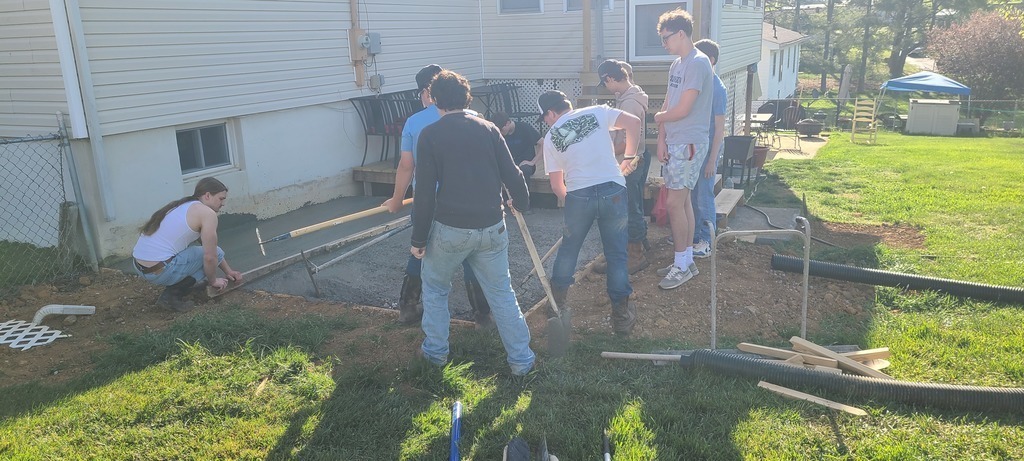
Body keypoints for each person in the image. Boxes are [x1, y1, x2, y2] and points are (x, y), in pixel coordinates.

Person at [410, 70, 535, 375]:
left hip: (450, 229)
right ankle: (522, 361)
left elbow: (424, 193)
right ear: (467, 98)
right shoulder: (489, 129)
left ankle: (435, 354)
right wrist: (521, 202)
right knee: (502, 293)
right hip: (492, 227)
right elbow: (513, 174)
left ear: (434, 99)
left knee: (435, 289)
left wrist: (418, 239)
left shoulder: (430, 135)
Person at [383, 64, 492, 327]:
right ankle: (482, 315)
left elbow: (406, 166)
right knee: (471, 257)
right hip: (468, 200)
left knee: (420, 251)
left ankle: (408, 307)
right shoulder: (474, 117)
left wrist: (396, 200)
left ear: (426, 92)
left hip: (427, 201)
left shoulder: (414, 122)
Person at [537, 90, 643, 336]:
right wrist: (629, 157)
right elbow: (634, 122)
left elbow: (557, 185)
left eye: (545, 118)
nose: (547, 122)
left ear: (551, 113)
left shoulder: (551, 137)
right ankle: (621, 317)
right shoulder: (597, 111)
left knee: (569, 250)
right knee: (616, 254)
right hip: (613, 190)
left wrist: (576, 206)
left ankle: (556, 307)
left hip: (579, 194)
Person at [652, 9, 714, 290]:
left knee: (675, 204)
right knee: (684, 201)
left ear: (681, 34)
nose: (663, 44)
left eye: (666, 38)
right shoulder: (677, 64)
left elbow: (684, 109)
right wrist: (661, 137)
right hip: (676, 141)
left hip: (689, 142)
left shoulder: (698, 63)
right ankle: (686, 260)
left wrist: (659, 118)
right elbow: (669, 102)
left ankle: (681, 266)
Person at [132, 177, 243, 311]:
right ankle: (172, 295)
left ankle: (187, 285)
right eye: (221, 198)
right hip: (161, 271)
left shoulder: (184, 206)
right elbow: (211, 257)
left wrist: (228, 271)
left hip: (140, 267)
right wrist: (213, 281)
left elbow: (210, 248)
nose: (223, 203)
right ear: (207, 195)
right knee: (210, 258)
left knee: (208, 253)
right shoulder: (207, 214)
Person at [596, 58, 652, 274]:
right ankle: (633, 246)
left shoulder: (630, 104)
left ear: (610, 78)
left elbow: (629, 142)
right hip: (635, 159)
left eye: (606, 83)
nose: (607, 88)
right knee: (632, 204)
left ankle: (636, 255)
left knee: (629, 208)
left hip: (631, 161)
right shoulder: (629, 96)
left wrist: (603, 152)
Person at [690, 39, 728, 259]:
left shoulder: (717, 89)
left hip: (709, 151)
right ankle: (694, 235)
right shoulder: (700, 84)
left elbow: (720, 129)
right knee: (693, 194)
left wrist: (712, 160)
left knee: (704, 196)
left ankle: (707, 240)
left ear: (711, 60)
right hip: (697, 148)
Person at [488, 111, 543, 179]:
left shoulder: (524, 127)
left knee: (523, 171)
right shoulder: (499, 134)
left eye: (501, 130)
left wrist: (533, 162)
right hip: (510, 164)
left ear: (507, 123)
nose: (500, 133)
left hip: (525, 164)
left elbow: (543, 143)